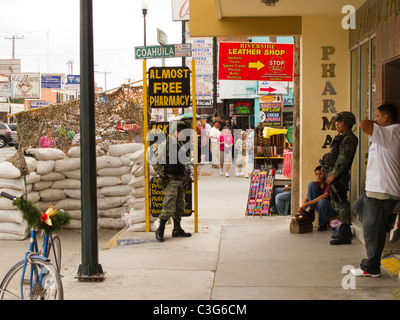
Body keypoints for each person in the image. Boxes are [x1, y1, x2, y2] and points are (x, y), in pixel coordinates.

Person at [351, 104, 400, 277]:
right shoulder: (386, 133)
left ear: (386, 118)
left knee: (373, 232)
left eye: (378, 116)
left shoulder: (390, 132)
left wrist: (374, 123)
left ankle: (371, 268)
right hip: (375, 189)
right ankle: (393, 221)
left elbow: (364, 124)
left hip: (381, 190)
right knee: (358, 207)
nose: (375, 119)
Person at [152, 121, 191, 242]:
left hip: (180, 180)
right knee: (168, 206)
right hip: (171, 179)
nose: (182, 133)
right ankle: (160, 230)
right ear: (174, 131)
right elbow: (155, 159)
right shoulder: (167, 143)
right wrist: (161, 173)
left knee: (179, 206)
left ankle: (177, 229)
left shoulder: (178, 144)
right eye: (180, 131)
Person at [325, 111, 358, 245]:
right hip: (335, 172)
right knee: (336, 201)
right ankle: (343, 231)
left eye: (340, 122)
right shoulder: (342, 137)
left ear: (347, 124)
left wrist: (334, 174)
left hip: (340, 175)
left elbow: (343, 159)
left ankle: (345, 233)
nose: (337, 124)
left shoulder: (349, 138)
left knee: (341, 201)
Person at [298, 166, 336, 231]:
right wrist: (302, 207)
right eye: (316, 174)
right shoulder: (316, 184)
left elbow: (326, 195)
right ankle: (311, 212)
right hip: (320, 207)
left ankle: (322, 224)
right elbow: (308, 197)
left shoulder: (329, 183)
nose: (318, 176)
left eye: (321, 174)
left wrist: (308, 204)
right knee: (311, 184)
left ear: (325, 174)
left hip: (331, 209)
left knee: (322, 201)